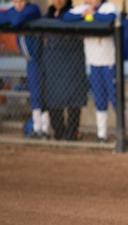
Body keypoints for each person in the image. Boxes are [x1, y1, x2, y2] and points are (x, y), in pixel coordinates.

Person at [63, 0, 117, 143]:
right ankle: (102, 135)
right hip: (93, 62)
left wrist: (93, 15)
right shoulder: (83, 8)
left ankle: (121, 133)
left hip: (108, 61)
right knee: (99, 99)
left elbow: (110, 18)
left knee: (114, 98)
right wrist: (84, 14)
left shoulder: (108, 7)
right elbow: (66, 17)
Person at [0, 0, 50, 139]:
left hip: (41, 59)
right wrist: (12, 14)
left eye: (21, 0)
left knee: (42, 94)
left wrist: (13, 15)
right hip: (31, 61)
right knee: (35, 93)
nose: (18, 3)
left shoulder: (32, 9)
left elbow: (17, 20)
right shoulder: (13, 10)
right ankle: (38, 128)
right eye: (15, 1)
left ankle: (43, 129)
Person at [43, 0, 88, 141]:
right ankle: (59, 132)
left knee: (74, 95)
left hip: (72, 60)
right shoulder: (47, 15)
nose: (58, 1)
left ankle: (72, 133)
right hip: (52, 62)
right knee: (53, 96)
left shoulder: (73, 12)